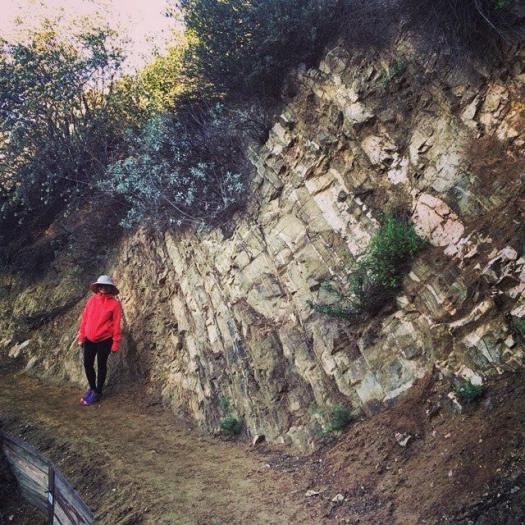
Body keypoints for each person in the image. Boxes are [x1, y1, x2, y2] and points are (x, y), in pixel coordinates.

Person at [77, 275, 122, 405]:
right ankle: (92, 388)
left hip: (105, 340)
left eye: (106, 286)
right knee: (87, 364)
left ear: (110, 288)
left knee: (101, 366)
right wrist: (81, 337)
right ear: (98, 287)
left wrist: (115, 343)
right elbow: (85, 319)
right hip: (89, 339)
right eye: (101, 285)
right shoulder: (91, 300)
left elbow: (116, 324)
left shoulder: (115, 304)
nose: (103, 287)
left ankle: (98, 392)